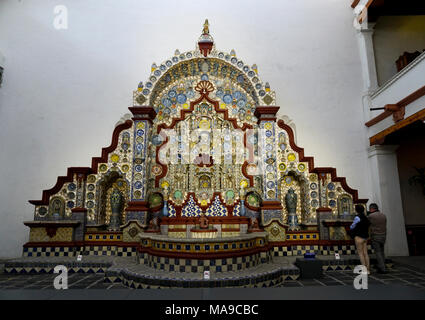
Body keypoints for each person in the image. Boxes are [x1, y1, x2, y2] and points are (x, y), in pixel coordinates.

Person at [367, 203, 388, 274]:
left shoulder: (371, 216)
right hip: (383, 235)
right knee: (382, 252)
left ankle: (383, 268)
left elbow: (367, 224)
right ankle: (382, 265)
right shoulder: (383, 215)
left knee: (378, 252)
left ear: (371, 209)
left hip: (376, 236)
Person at [350, 205, 371, 274]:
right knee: (366, 253)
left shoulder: (357, 217)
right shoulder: (366, 217)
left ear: (356, 210)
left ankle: (364, 270)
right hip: (365, 237)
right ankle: (368, 269)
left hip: (359, 237)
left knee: (361, 253)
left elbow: (352, 227)